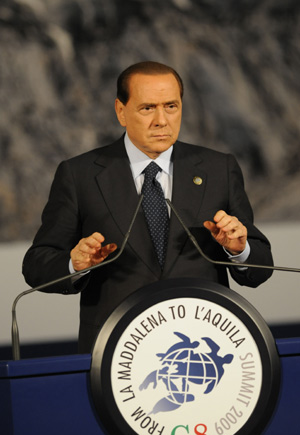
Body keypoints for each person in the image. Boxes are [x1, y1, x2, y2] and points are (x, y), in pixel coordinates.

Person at [23, 61, 273, 353]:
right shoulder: (80, 175)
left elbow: (260, 268)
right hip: (117, 352)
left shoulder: (219, 169)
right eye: (147, 108)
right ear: (121, 111)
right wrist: (74, 264)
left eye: (171, 106)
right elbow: (37, 264)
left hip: (203, 345)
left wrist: (238, 249)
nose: (161, 120)